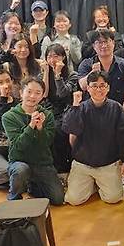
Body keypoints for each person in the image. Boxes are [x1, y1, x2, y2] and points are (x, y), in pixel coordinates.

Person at [63, 71, 124, 205]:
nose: (98, 89)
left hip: (107, 163)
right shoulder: (80, 107)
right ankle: (94, 184)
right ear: (88, 88)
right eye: (94, 86)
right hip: (82, 163)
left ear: (108, 87)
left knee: (113, 198)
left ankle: (109, 182)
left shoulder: (116, 108)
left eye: (102, 86)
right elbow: (70, 129)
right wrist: (75, 105)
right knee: (73, 200)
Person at [1, 76, 64, 205]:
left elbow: (47, 143)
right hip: (20, 161)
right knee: (20, 170)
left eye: (37, 93)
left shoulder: (48, 115)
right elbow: (18, 145)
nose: (32, 96)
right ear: (21, 93)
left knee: (58, 199)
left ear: (42, 96)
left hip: (42, 163)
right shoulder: (9, 116)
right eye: (29, 91)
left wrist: (40, 129)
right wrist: (31, 126)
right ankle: (13, 197)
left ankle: (33, 186)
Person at [77, 29, 124, 114]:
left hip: (118, 111)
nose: (104, 45)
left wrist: (121, 117)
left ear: (113, 43)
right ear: (94, 46)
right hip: (92, 112)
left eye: (106, 41)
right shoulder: (86, 64)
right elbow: (83, 86)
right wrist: (92, 73)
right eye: (99, 43)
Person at [42, 43, 79, 177]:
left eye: (56, 56)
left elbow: (62, 93)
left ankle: (66, 166)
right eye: (49, 56)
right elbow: (44, 94)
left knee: (61, 128)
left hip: (67, 109)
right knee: (49, 129)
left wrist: (57, 75)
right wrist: (47, 72)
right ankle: (55, 166)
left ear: (63, 57)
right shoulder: (44, 73)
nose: (52, 60)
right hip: (50, 108)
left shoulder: (72, 75)